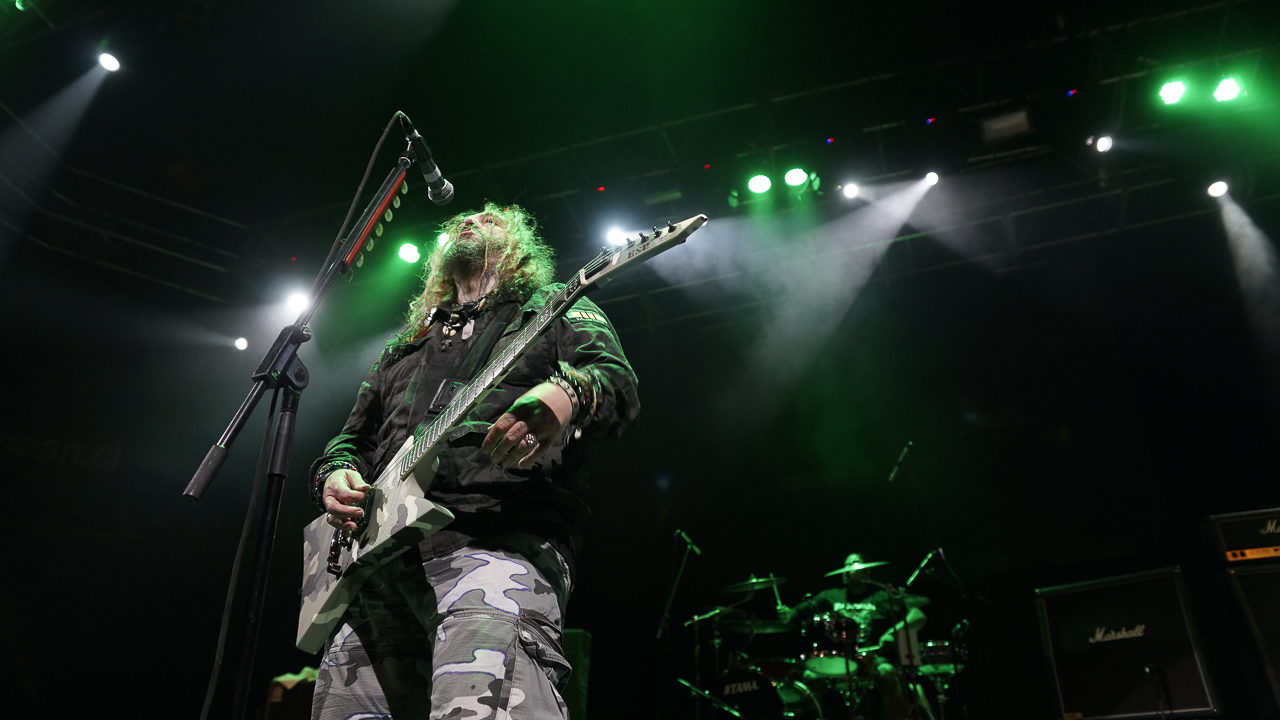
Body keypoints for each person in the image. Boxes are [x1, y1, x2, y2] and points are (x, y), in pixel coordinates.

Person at [307, 202, 639, 720]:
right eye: (463, 219)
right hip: (377, 571)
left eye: (490, 220)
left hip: (494, 544)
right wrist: (335, 474)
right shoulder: (405, 347)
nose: (471, 221)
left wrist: (566, 394)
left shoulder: (554, 306)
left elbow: (615, 381)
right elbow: (353, 440)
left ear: (517, 248)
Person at [777, 553, 933, 720]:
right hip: (840, 657)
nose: (845, 571)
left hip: (872, 657)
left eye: (851, 566)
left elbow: (918, 615)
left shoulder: (880, 596)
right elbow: (794, 614)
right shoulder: (830, 596)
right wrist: (786, 614)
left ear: (866, 572)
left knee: (887, 672)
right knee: (811, 677)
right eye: (845, 567)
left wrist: (894, 633)